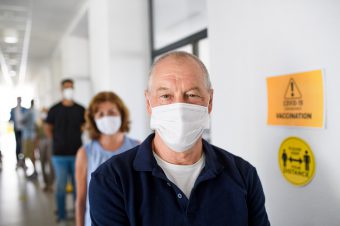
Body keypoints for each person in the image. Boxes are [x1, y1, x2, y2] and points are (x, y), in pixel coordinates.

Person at [89, 51, 270, 226]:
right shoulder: (111, 180)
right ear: (148, 103)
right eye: (166, 96)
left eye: (191, 95)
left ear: (210, 101)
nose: (179, 108)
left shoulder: (244, 175)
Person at [75, 91, 139, 226]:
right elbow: (81, 200)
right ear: (94, 119)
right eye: (101, 114)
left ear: (121, 114)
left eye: (111, 112)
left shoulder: (138, 148)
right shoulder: (85, 153)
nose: (107, 118)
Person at [45, 78, 85, 222]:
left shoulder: (80, 109)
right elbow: (48, 127)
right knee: (61, 186)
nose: (69, 89)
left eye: (71, 87)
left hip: (77, 154)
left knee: (77, 187)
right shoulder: (54, 109)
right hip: (59, 154)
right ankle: (61, 215)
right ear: (61, 90)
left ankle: (77, 214)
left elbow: (85, 125)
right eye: (67, 87)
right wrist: (55, 140)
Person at [37, 107, 54, 191]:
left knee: (51, 163)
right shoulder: (38, 122)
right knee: (42, 162)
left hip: (50, 142)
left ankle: (51, 183)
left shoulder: (51, 122)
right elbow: (35, 134)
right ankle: (45, 183)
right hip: (41, 142)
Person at [9, 97, 28, 169]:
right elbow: (10, 119)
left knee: (23, 145)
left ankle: (23, 161)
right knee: (18, 144)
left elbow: (27, 118)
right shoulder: (13, 110)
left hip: (23, 129)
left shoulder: (24, 109)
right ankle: (18, 161)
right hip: (16, 129)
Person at [21, 99, 38, 177]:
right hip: (33, 135)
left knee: (29, 154)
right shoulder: (35, 112)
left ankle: (32, 171)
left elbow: (22, 121)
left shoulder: (29, 112)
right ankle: (34, 170)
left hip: (28, 136)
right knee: (32, 153)